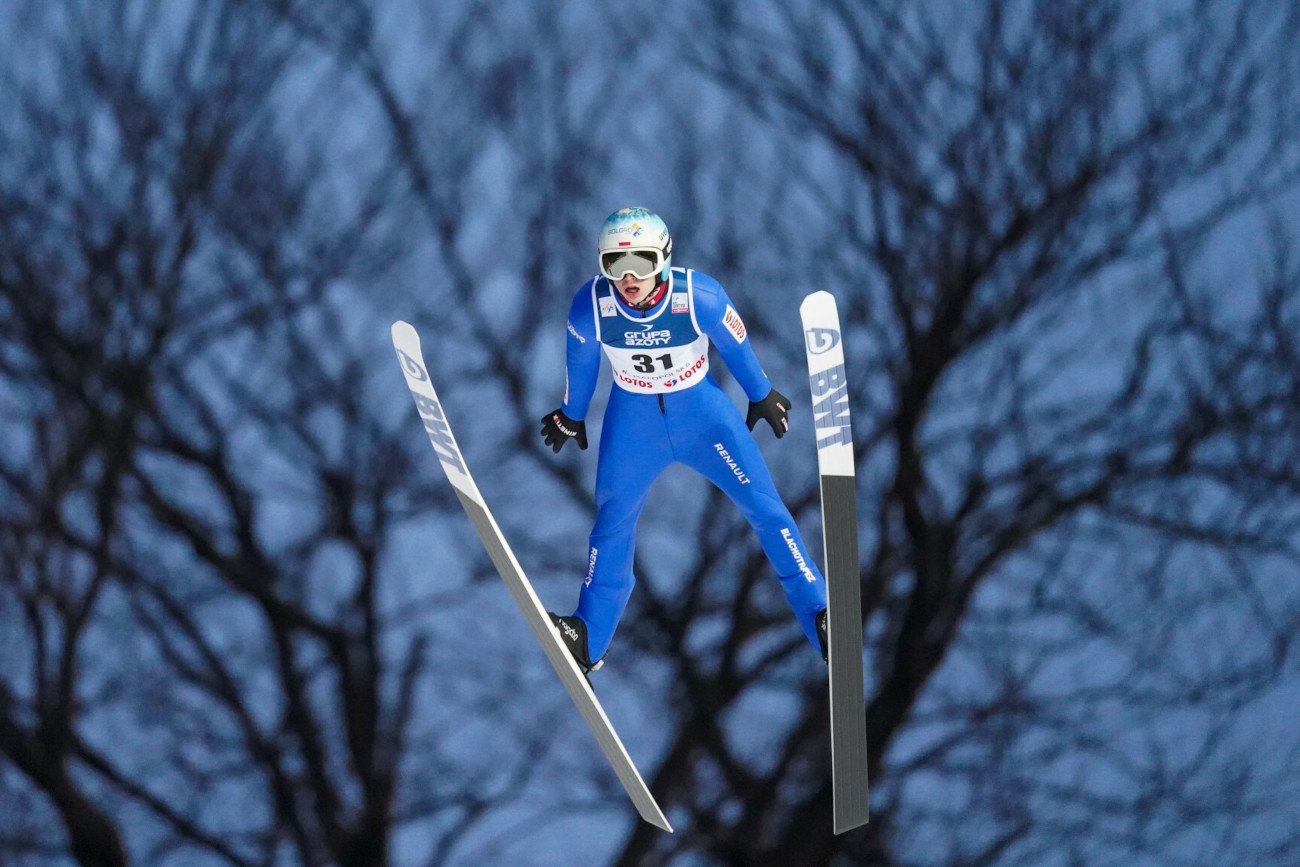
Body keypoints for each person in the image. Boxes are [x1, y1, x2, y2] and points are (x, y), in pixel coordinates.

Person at [540, 207, 828, 674]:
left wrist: (761, 393)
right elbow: (582, 362)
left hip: (703, 418)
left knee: (765, 507)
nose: (629, 278)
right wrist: (571, 415)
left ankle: (819, 614)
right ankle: (588, 638)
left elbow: (735, 343)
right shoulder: (591, 306)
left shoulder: (700, 297)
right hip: (633, 424)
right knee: (612, 523)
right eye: (615, 264)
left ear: (665, 259)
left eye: (642, 262)